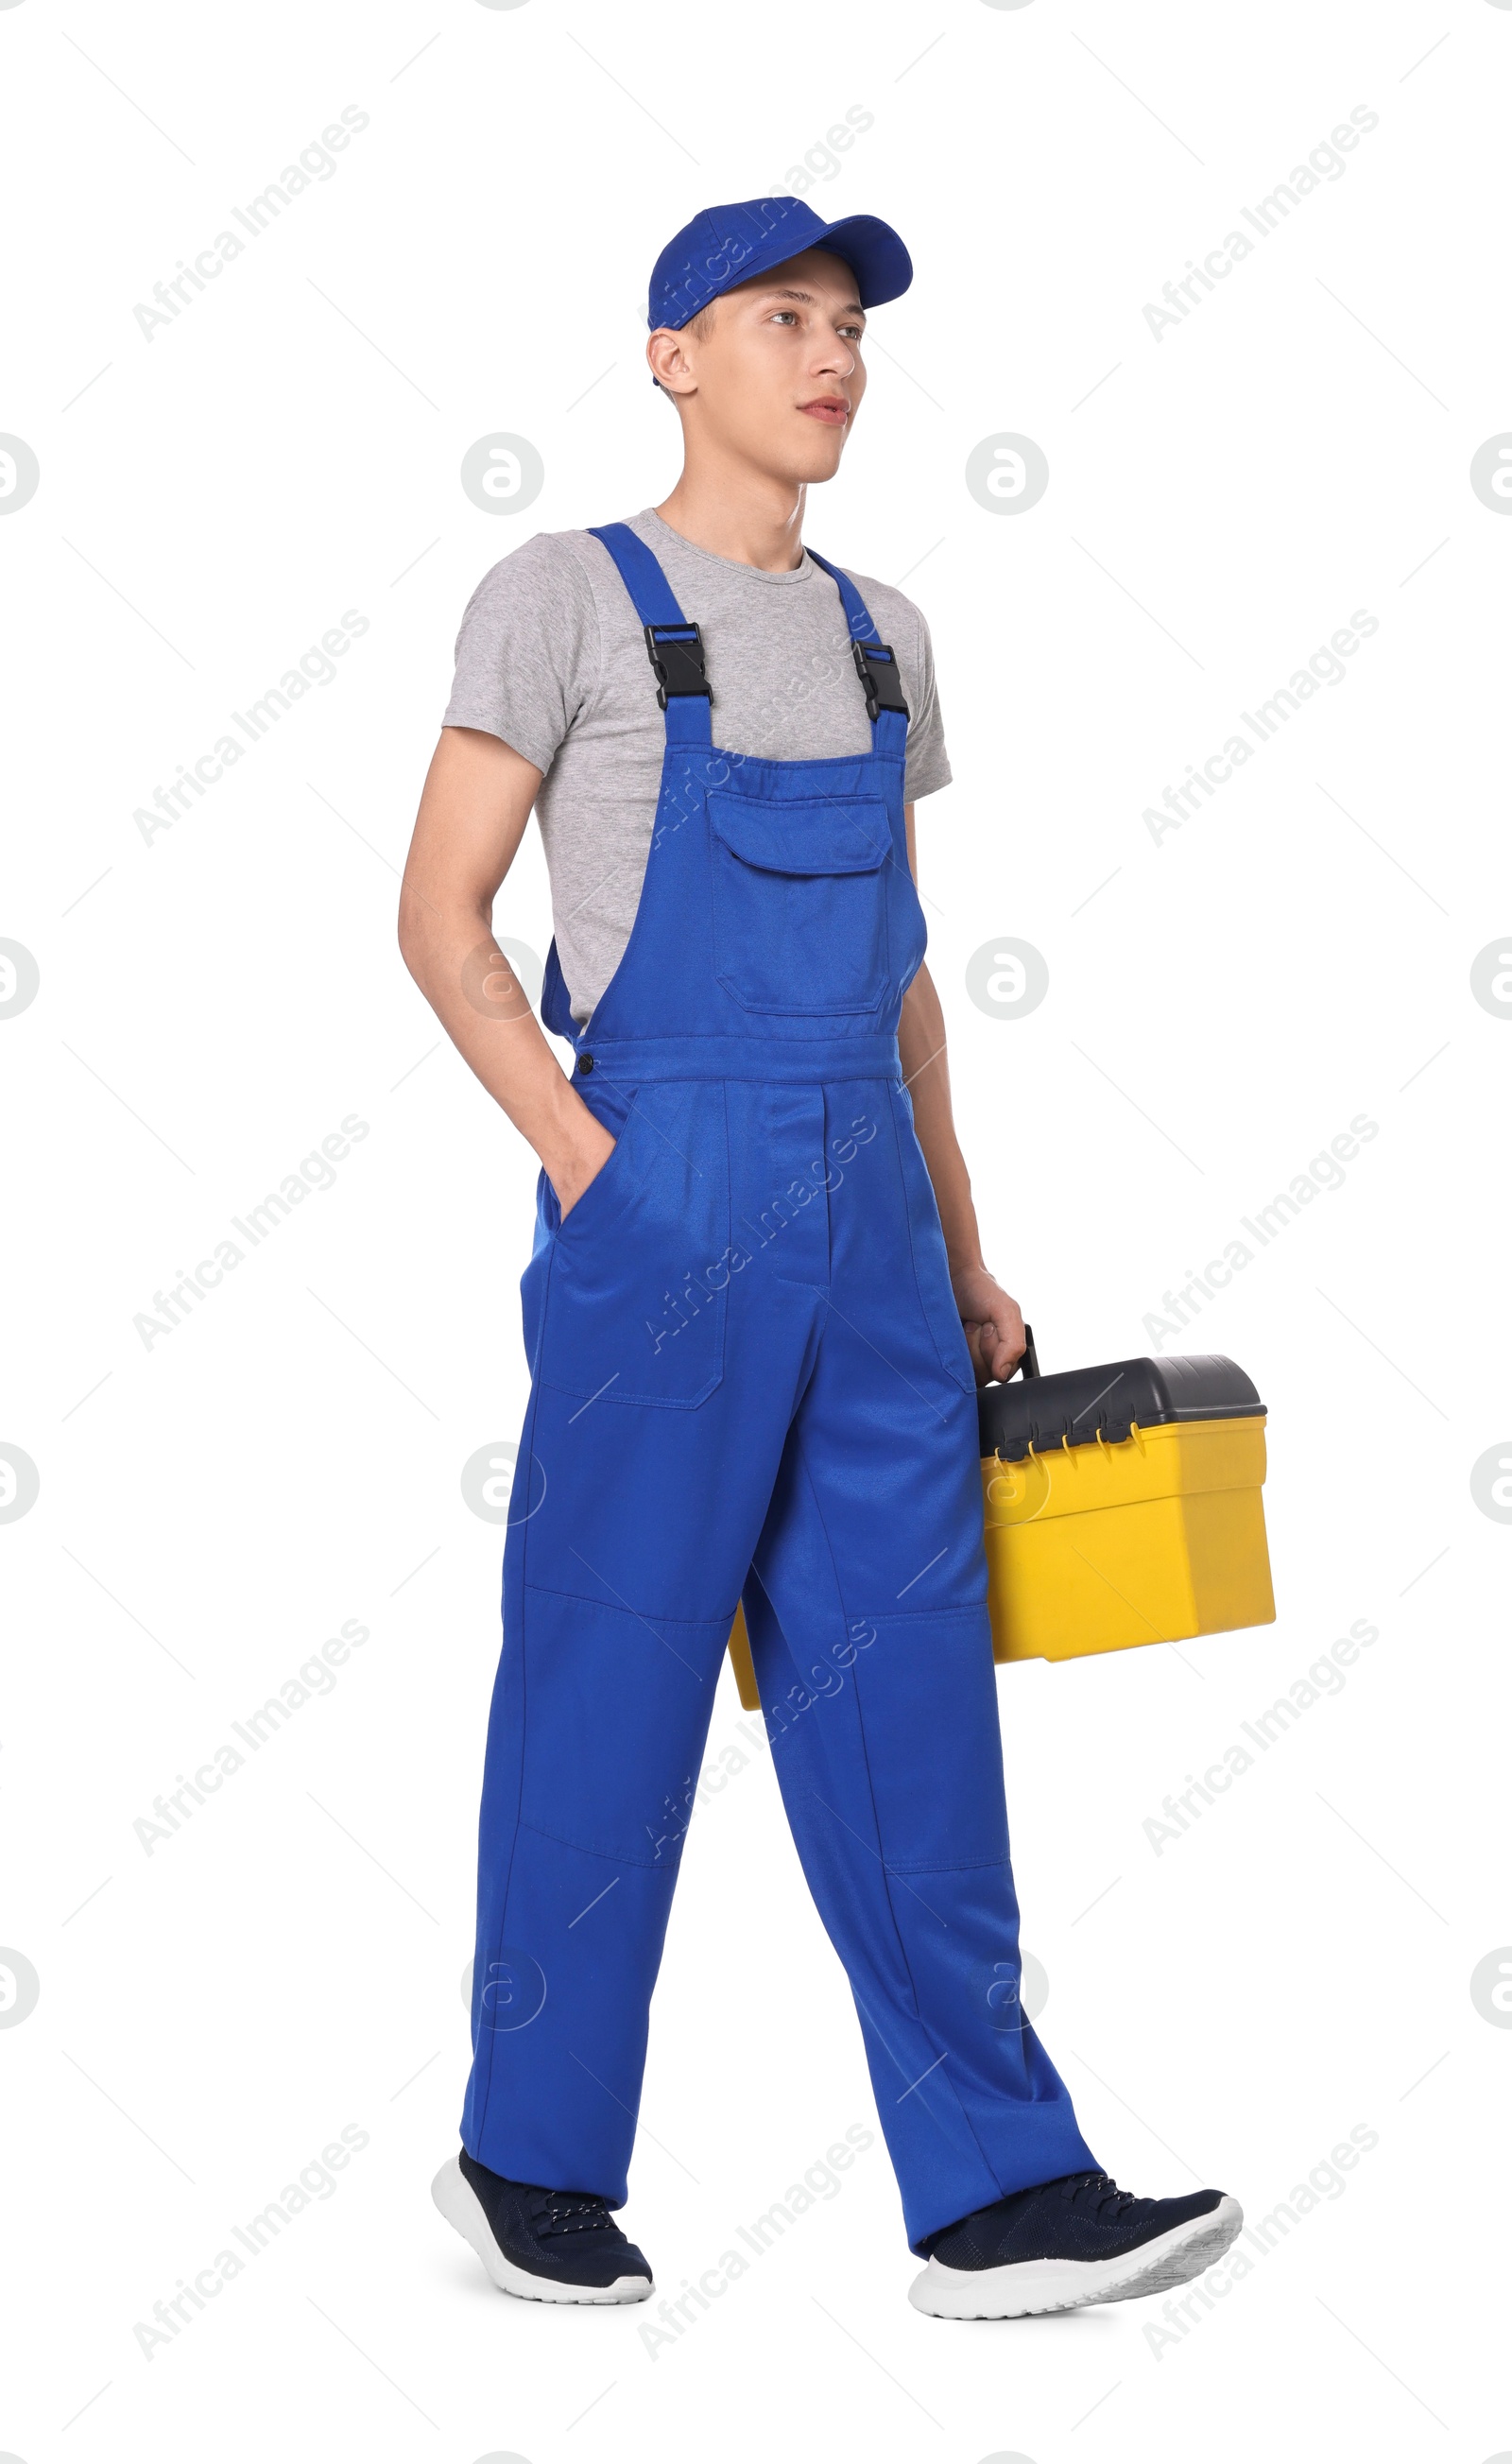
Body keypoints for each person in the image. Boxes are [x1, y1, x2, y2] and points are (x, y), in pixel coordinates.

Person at [400, 195, 1241, 2320]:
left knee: (909, 1698)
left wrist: (959, 1247)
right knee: (615, 1671)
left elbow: (905, 983)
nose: (830, 352)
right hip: (660, 1185)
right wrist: (591, 1158)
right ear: (671, 355)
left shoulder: (881, 633)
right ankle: (529, 2162)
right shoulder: (563, 596)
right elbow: (440, 915)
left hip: (868, 1209)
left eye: (847, 321)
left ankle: (992, 2191)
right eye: (780, 317)